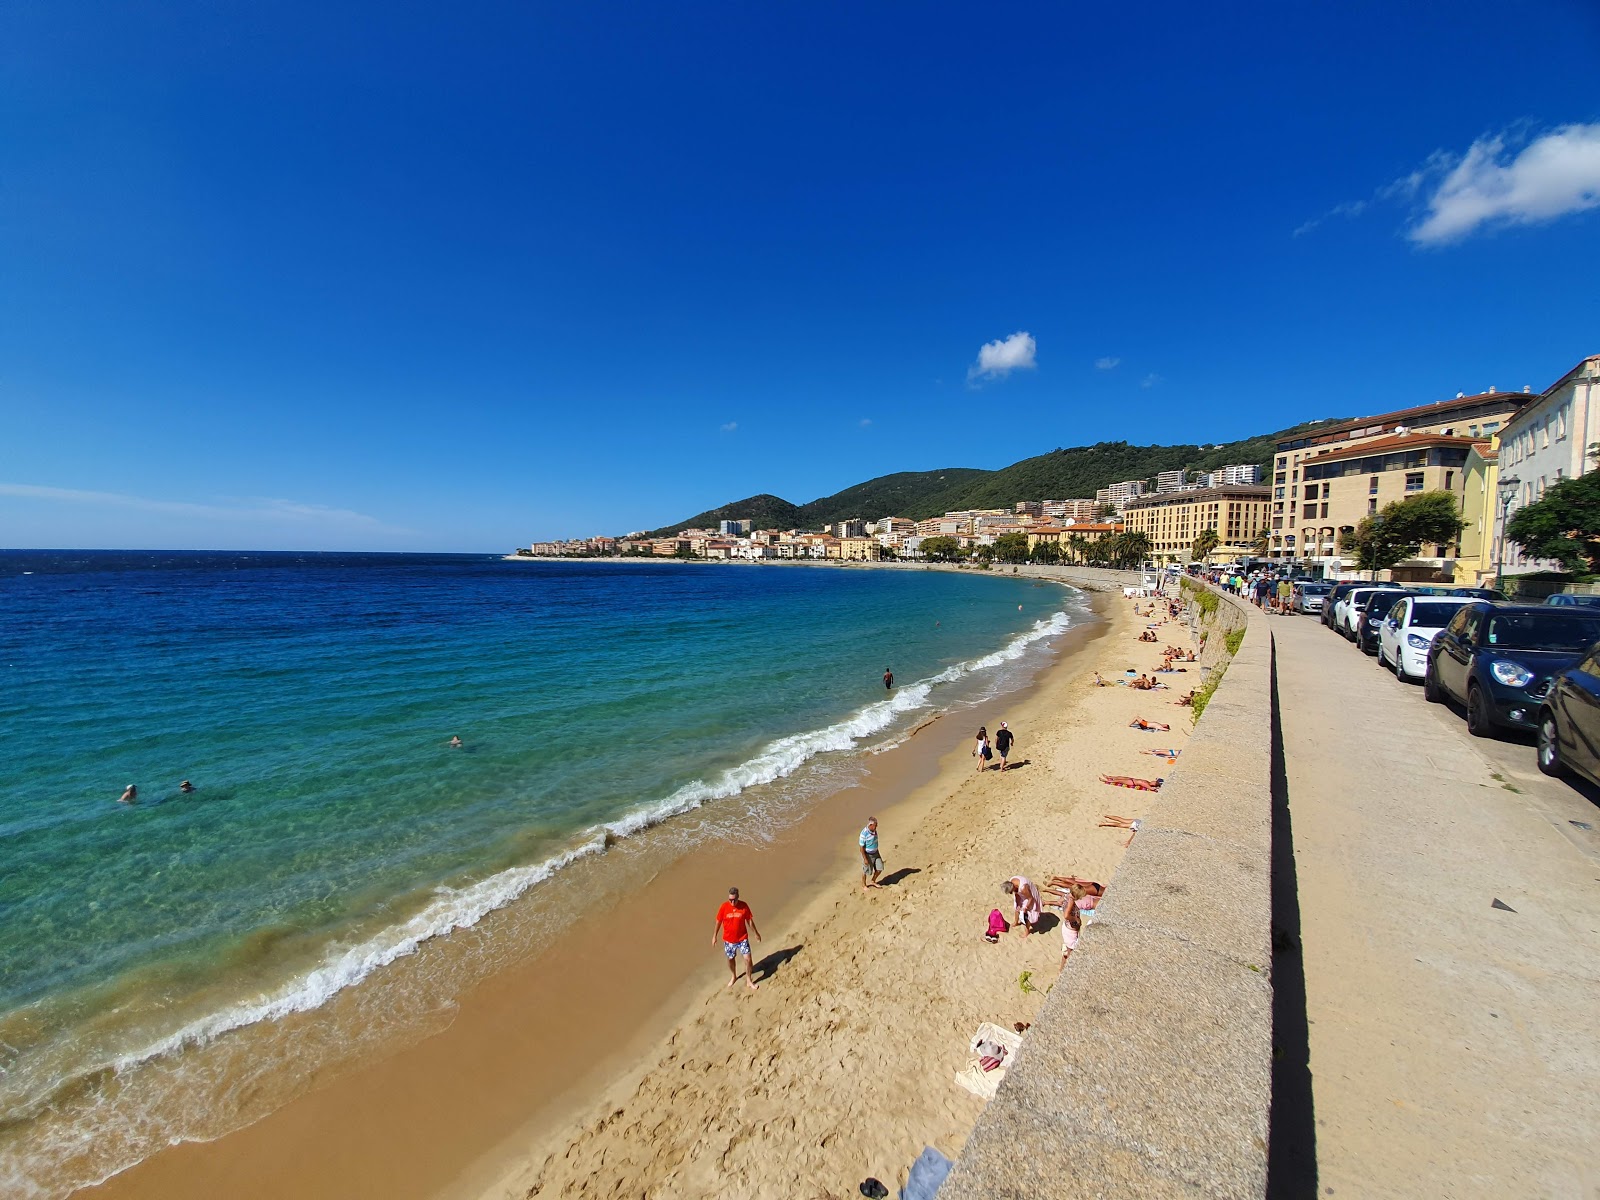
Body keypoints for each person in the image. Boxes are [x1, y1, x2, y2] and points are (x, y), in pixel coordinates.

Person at [714, 887, 762, 991]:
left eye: (734, 899)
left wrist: (756, 933)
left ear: (738, 897)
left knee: (748, 959)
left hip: (742, 938)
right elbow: (718, 922)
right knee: (730, 959)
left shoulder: (744, 906)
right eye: (730, 899)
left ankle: (749, 980)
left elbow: (749, 921)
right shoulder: (724, 907)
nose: (732, 902)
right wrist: (714, 936)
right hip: (729, 940)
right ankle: (734, 976)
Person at [858, 817, 883, 891]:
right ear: (871, 825)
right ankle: (864, 885)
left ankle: (873, 881)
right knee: (865, 871)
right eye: (875, 825)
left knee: (879, 868)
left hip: (876, 852)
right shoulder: (864, 834)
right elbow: (861, 848)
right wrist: (865, 859)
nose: (876, 826)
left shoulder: (874, 830)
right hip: (868, 854)